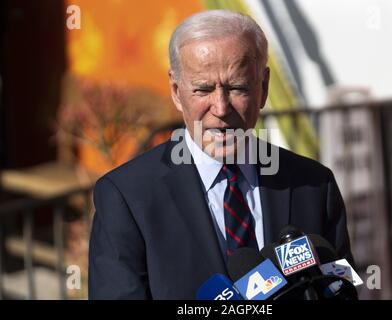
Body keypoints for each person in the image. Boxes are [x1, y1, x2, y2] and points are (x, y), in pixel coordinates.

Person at [88, 9, 353, 300]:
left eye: (237, 87)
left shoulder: (314, 185)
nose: (221, 108)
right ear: (176, 91)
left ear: (263, 88)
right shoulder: (126, 197)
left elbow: (342, 291)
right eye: (202, 90)